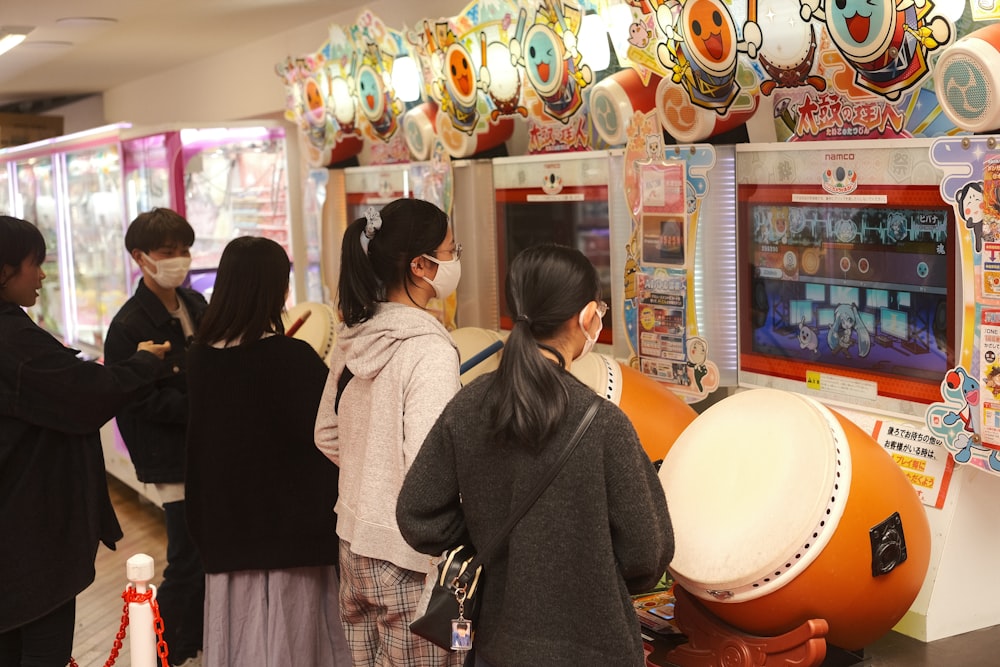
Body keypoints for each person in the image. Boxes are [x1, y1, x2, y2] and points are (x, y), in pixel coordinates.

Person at [396, 243, 674, 667]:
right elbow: (646, 554)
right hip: (595, 648)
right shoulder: (603, 423)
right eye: (598, 309)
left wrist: (484, 535)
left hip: (496, 645)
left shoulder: (467, 407)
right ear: (586, 318)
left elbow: (417, 513)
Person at [0, 215, 170, 667]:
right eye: (34, 263)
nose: (42, 275)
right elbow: (83, 396)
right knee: (40, 648)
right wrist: (143, 364)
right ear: (4, 271)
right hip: (26, 534)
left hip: (19, 528)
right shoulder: (11, 339)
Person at [183, 235, 347, 667]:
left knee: (238, 639)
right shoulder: (291, 358)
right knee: (296, 643)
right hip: (291, 534)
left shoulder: (200, 358)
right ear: (274, 289)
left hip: (225, 528)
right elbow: (332, 434)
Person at [314, 198, 463, 667]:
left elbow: (325, 433)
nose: (455, 261)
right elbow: (431, 467)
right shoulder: (430, 353)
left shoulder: (355, 332)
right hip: (409, 558)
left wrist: (370, 476)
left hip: (353, 543)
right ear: (422, 266)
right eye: (451, 251)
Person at [104, 207, 208, 667]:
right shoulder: (128, 326)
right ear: (140, 258)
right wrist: (202, 407)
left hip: (208, 450)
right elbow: (134, 400)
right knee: (186, 558)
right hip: (171, 456)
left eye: (184, 250)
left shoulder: (196, 304)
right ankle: (167, 650)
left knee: (204, 553)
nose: (179, 260)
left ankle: (198, 640)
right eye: (168, 252)